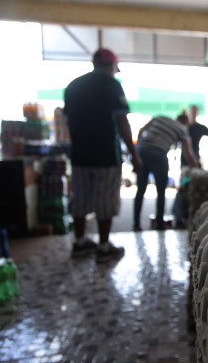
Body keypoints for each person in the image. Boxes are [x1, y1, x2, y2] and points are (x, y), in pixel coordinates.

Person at [64, 48, 141, 263]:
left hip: (79, 154)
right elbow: (122, 123)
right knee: (105, 202)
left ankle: (79, 243)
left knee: (80, 199)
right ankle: (104, 247)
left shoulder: (73, 86)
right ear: (110, 66)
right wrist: (135, 156)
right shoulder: (111, 85)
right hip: (106, 155)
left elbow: (68, 122)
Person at [133, 112, 200, 231]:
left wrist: (137, 150)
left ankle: (136, 224)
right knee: (161, 191)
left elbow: (141, 130)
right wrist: (197, 169)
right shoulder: (182, 129)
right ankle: (159, 223)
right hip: (159, 154)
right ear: (186, 123)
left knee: (140, 190)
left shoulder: (160, 117)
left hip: (142, 151)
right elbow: (188, 154)